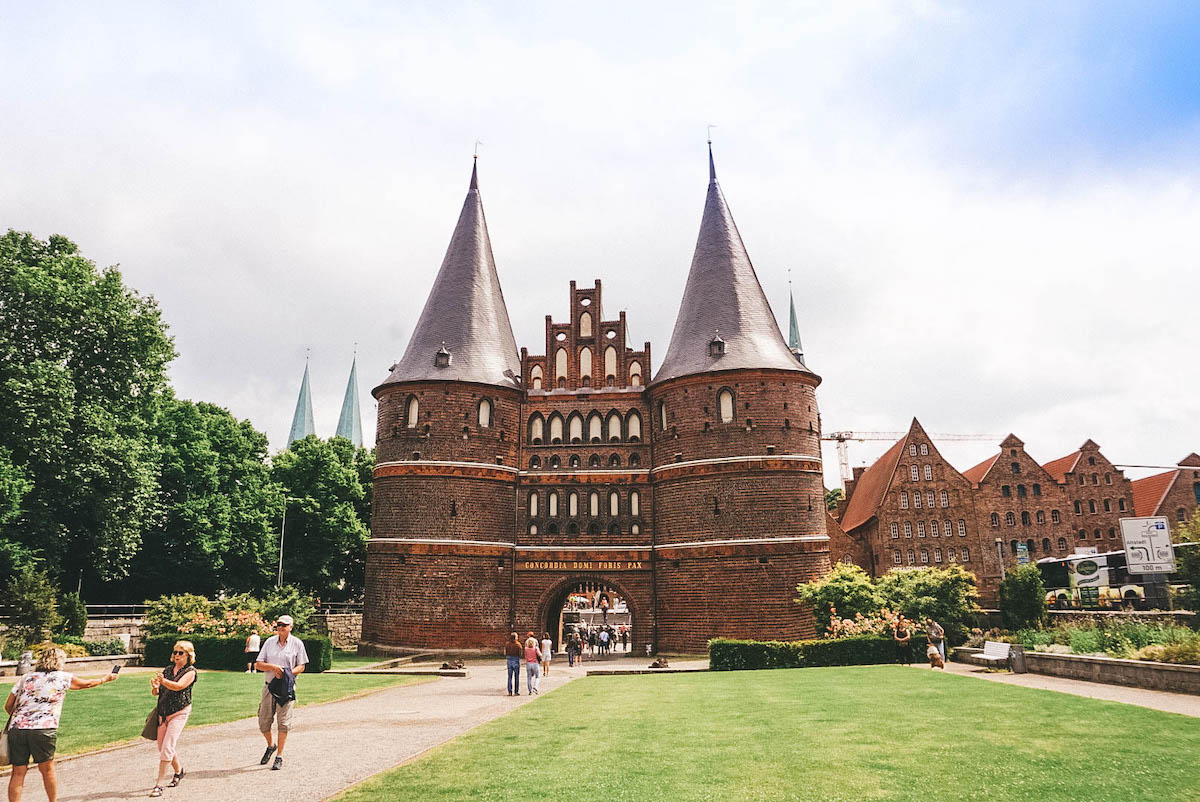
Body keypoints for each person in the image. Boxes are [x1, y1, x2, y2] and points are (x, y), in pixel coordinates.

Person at [6, 646, 117, 802]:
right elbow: (87, 684)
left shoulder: (26, 677)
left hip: (18, 729)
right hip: (43, 729)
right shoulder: (62, 677)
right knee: (47, 770)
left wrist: (23, 717)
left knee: (17, 772)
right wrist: (106, 678)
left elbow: (8, 706)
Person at [254, 615, 309, 770]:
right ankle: (271, 745)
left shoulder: (297, 644)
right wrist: (273, 668)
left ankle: (279, 756)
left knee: (283, 723)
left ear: (291, 627)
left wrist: (287, 673)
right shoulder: (269, 643)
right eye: (278, 624)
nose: (281, 627)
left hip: (286, 688)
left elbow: (302, 666)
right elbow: (258, 664)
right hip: (269, 687)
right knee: (263, 723)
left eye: (284, 625)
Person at [149, 640, 198, 797]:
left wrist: (163, 681)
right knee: (162, 746)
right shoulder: (168, 670)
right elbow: (157, 693)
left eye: (180, 653)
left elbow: (179, 686)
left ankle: (159, 784)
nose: (177, 655)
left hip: (179, 711)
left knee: (168, 747)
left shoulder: (191, 671)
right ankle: (179, 771)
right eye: (175, 652)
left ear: (188, 655)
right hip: (164, 712)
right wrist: (156, 688)